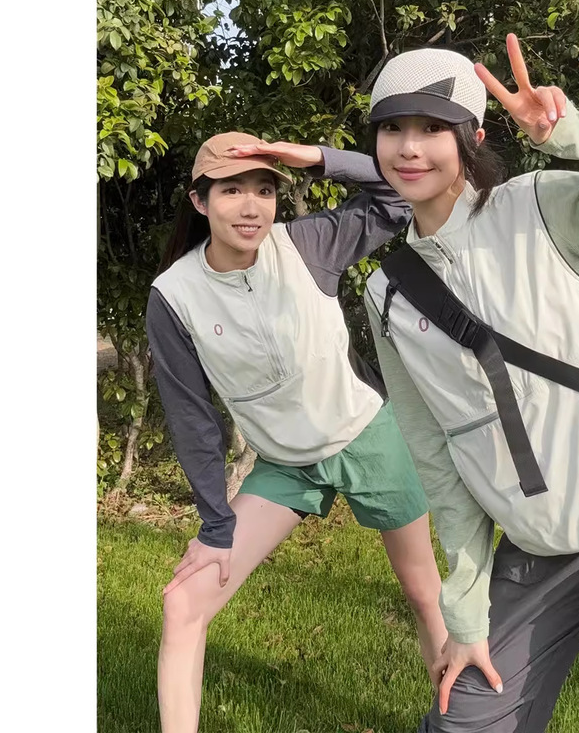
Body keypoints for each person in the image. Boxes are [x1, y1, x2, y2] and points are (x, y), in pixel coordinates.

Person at [356, 37, 579, 732]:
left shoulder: (542, 207)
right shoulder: (387, 294)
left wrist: (573, 135)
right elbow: (437, 457)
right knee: (464, 721)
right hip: (537, 549)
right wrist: (464, 615)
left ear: (473, 137)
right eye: (393, 128)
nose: (409, 148)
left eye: (432, 127)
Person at [146, 131, 447, 732]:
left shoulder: (307, 244)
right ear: (199, 201)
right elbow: (193, 419)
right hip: (285, 464)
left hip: (366, 437)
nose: (251, 206)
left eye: (264, 190)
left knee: (426, 595)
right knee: (182, 603)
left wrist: (315, 158)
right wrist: (215, 527)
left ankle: (460, 722)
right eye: (231, 190)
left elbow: (398, 195)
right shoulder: (173, 296)